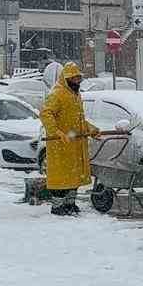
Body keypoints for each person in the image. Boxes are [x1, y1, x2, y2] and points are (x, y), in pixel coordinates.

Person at [38, 62, 100, 216]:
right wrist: (56, 132)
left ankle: (70, 203)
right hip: (60, 145)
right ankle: (58, 206)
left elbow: (78, 120)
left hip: (75, 143)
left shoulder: (76, 96)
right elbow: (45, 113)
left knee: (74, 176)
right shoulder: (57, 94)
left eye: (79, 78)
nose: (77, 81)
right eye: (74, 78)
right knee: (61, 177)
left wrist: (91, 129)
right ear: (66, 79)